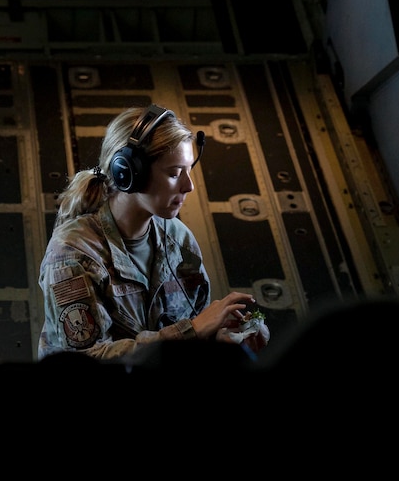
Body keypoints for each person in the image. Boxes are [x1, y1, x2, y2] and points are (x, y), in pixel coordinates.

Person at [37, 104, 268, 361]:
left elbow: (197, 322)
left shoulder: (179, 239)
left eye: (189, 170)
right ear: (129, 172)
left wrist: (223, 338)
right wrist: (193, 332)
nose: (188, 186)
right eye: (174, 173)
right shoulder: (73, 252)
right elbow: (85, 360)